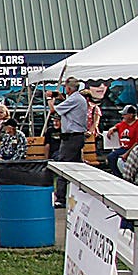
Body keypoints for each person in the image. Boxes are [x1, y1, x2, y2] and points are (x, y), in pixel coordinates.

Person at [48, 78, 91, 207]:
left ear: (68, 88)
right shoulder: (77, 98)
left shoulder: (75, 99)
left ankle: (60, 197)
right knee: (76, 167)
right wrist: (59, 96)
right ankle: (78, 194)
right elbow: (66, 101)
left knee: (64, 165)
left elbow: (54, 110)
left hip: (71, 137)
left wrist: (50, 100)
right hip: (75, 136)